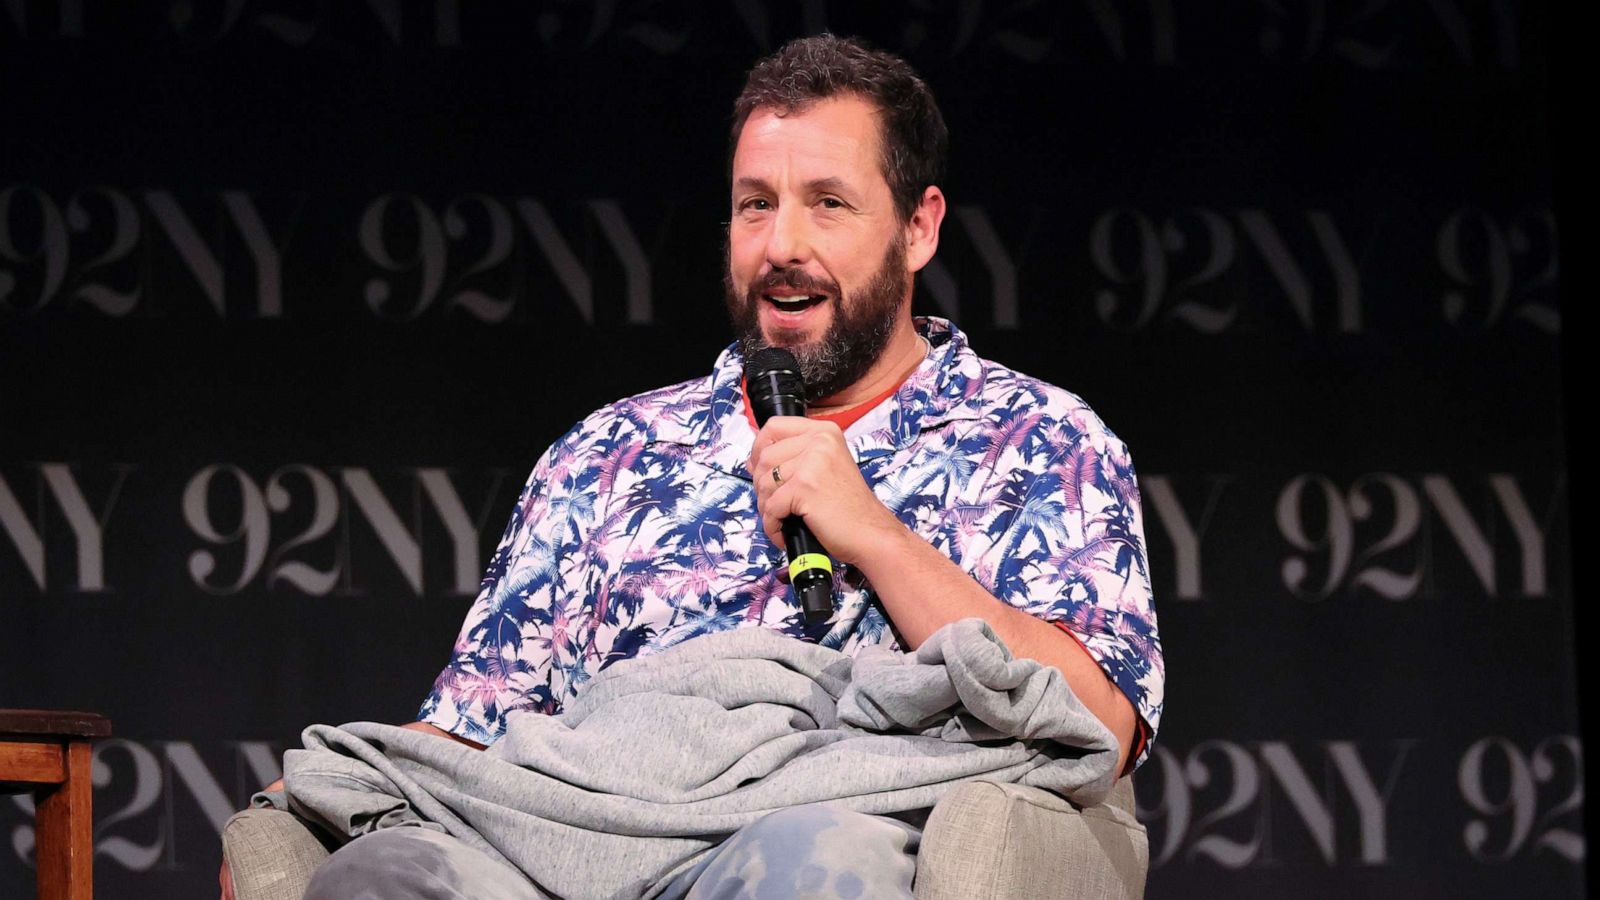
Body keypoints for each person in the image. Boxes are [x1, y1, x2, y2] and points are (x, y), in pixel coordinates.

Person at [222, 33, 1162, 900]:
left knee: (801, 861)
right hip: (587, 854)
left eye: (827, 203)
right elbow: (475, 731)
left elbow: (1101, 726)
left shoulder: (1037, 439)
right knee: (381, 873)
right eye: (756, 205)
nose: (782, 247)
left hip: (835, 847)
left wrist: (871, 533)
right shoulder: (608, 454)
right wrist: (324, 794)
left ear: (919, 229)